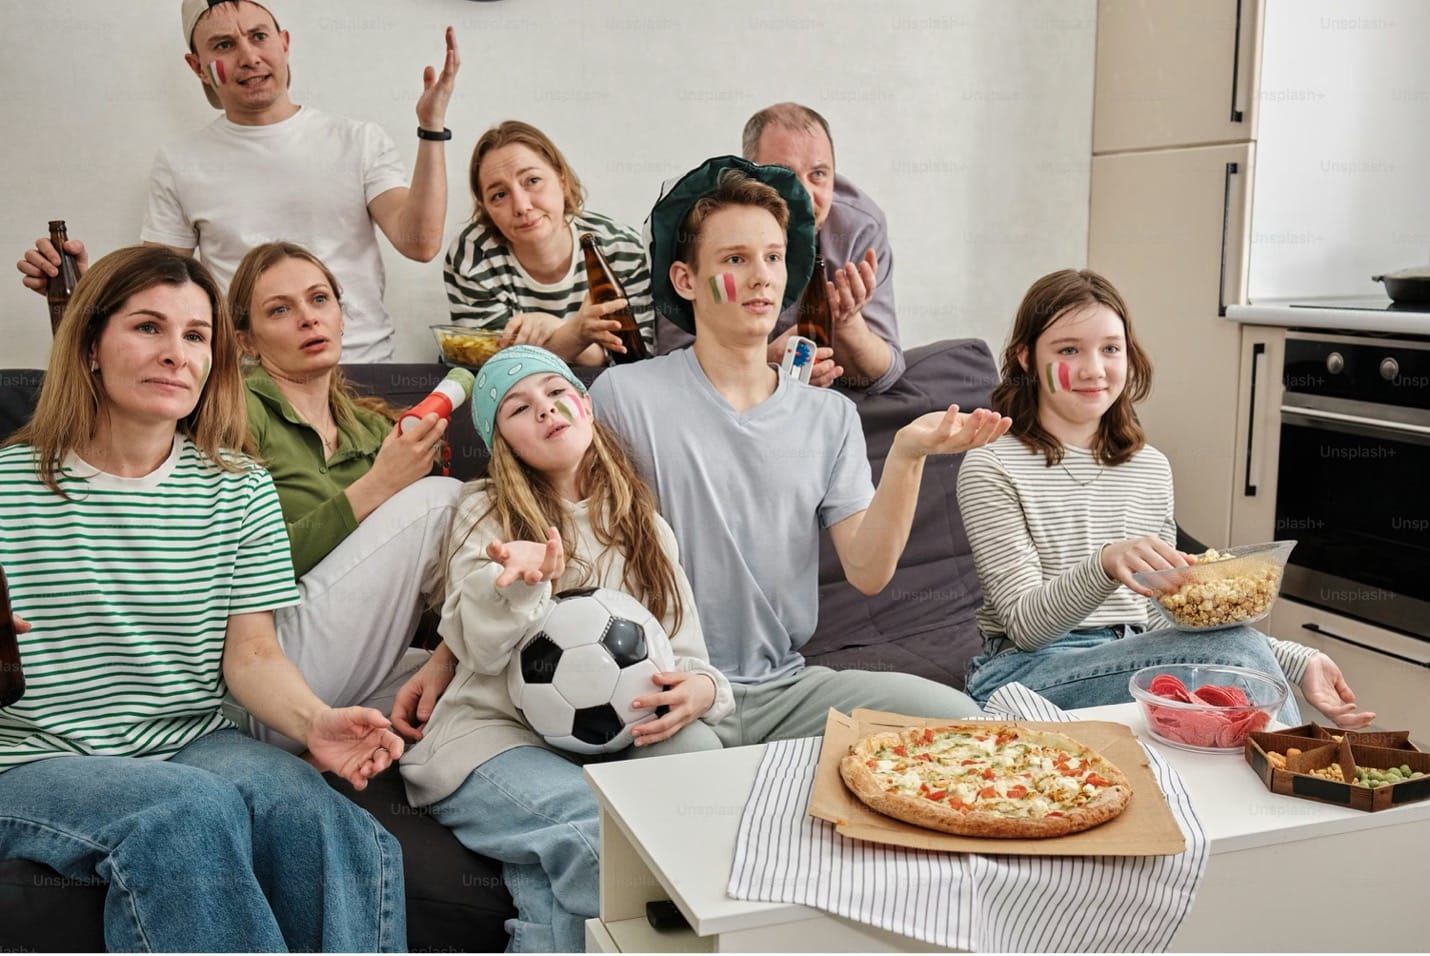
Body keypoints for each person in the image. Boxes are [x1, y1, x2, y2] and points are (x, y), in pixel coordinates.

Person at [0, 246, 406, 952]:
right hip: (29, 758)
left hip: (188, 741)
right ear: (92, 347)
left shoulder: (238, 489)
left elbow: (250, 654)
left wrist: (315, 721)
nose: (176, 353)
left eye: (195, 335)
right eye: (148, 328)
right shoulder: (7, 483)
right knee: (186, 809)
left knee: (329, 825)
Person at [589, 156, 1011, 746]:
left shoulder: (829, 415)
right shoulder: (623, 398)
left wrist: (909, 454)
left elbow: (868, 571)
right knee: (705, 792)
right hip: (667, 687)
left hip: (785, 689)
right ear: (686, 281)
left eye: (773, 256)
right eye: (735, 259)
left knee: (966, 725)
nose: (762, 275)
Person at [398, 345, 732, 953]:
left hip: (596, 746)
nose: (546, 410)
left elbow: (683, 649)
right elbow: (474, 646)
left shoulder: (643, 525)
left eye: (557, 393)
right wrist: (521, 586)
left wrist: (705, 689)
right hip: (489, 741)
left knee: (554, 882)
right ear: (504, 445)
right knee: (594, 839)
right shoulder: (485, 511)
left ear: (586, 405)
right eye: (519, 409)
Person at [956, 268, 1374, 729]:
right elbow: (1025, 627)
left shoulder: (1149, 467)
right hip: (1025, 673)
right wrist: (1105, 563)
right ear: (1026, 358)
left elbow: (1161, 619)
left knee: (1231, 696)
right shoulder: (991, 467)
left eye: (1110, 349)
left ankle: (1297, 768)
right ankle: (1304, 767)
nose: (1094, 369)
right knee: (1235, 668)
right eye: (1068, 350)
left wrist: (1296, 660)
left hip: (1134, 656)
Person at [17, 0, 460, 362]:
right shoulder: (180, 163)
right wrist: (83, 281)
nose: (248, 57)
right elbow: (158, 286)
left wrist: (432, 128)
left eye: (259, 37)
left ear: (284, 44)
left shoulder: (357, 140)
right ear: (197, 66)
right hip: (244, 386)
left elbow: (418, 243)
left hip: (362, 370)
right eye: (224, 45)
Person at [228, 241, 462, 751]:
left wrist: (450, 653)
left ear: (341, 316)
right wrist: (379, 486)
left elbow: (404, 586)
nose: (307, 319)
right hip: (265, 674)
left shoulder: (375, 428)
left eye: (319, 300)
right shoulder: (233, 412)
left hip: (351, 665)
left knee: (481, 684)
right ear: (246, 341)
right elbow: (237, 572)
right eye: (280, 310)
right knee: (443, 500)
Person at [655, 103, 904, 394]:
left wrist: (847, 323)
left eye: (819, 174)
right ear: (750, 176)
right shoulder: (700, 225)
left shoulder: (860, 227)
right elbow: (674, 364)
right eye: (785, 175)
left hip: (837, 397)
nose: (804, 195)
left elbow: (884, 377)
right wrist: (763, 365)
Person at [443, 120, 654, 366]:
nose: (522, 206)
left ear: (562, 179)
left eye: (532, 181)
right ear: (486, 209)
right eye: (499, 195)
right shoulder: (472, 256)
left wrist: (557, 329)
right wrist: (577, 333)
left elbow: (637, 364)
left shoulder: (622, 250)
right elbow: (495, 371)